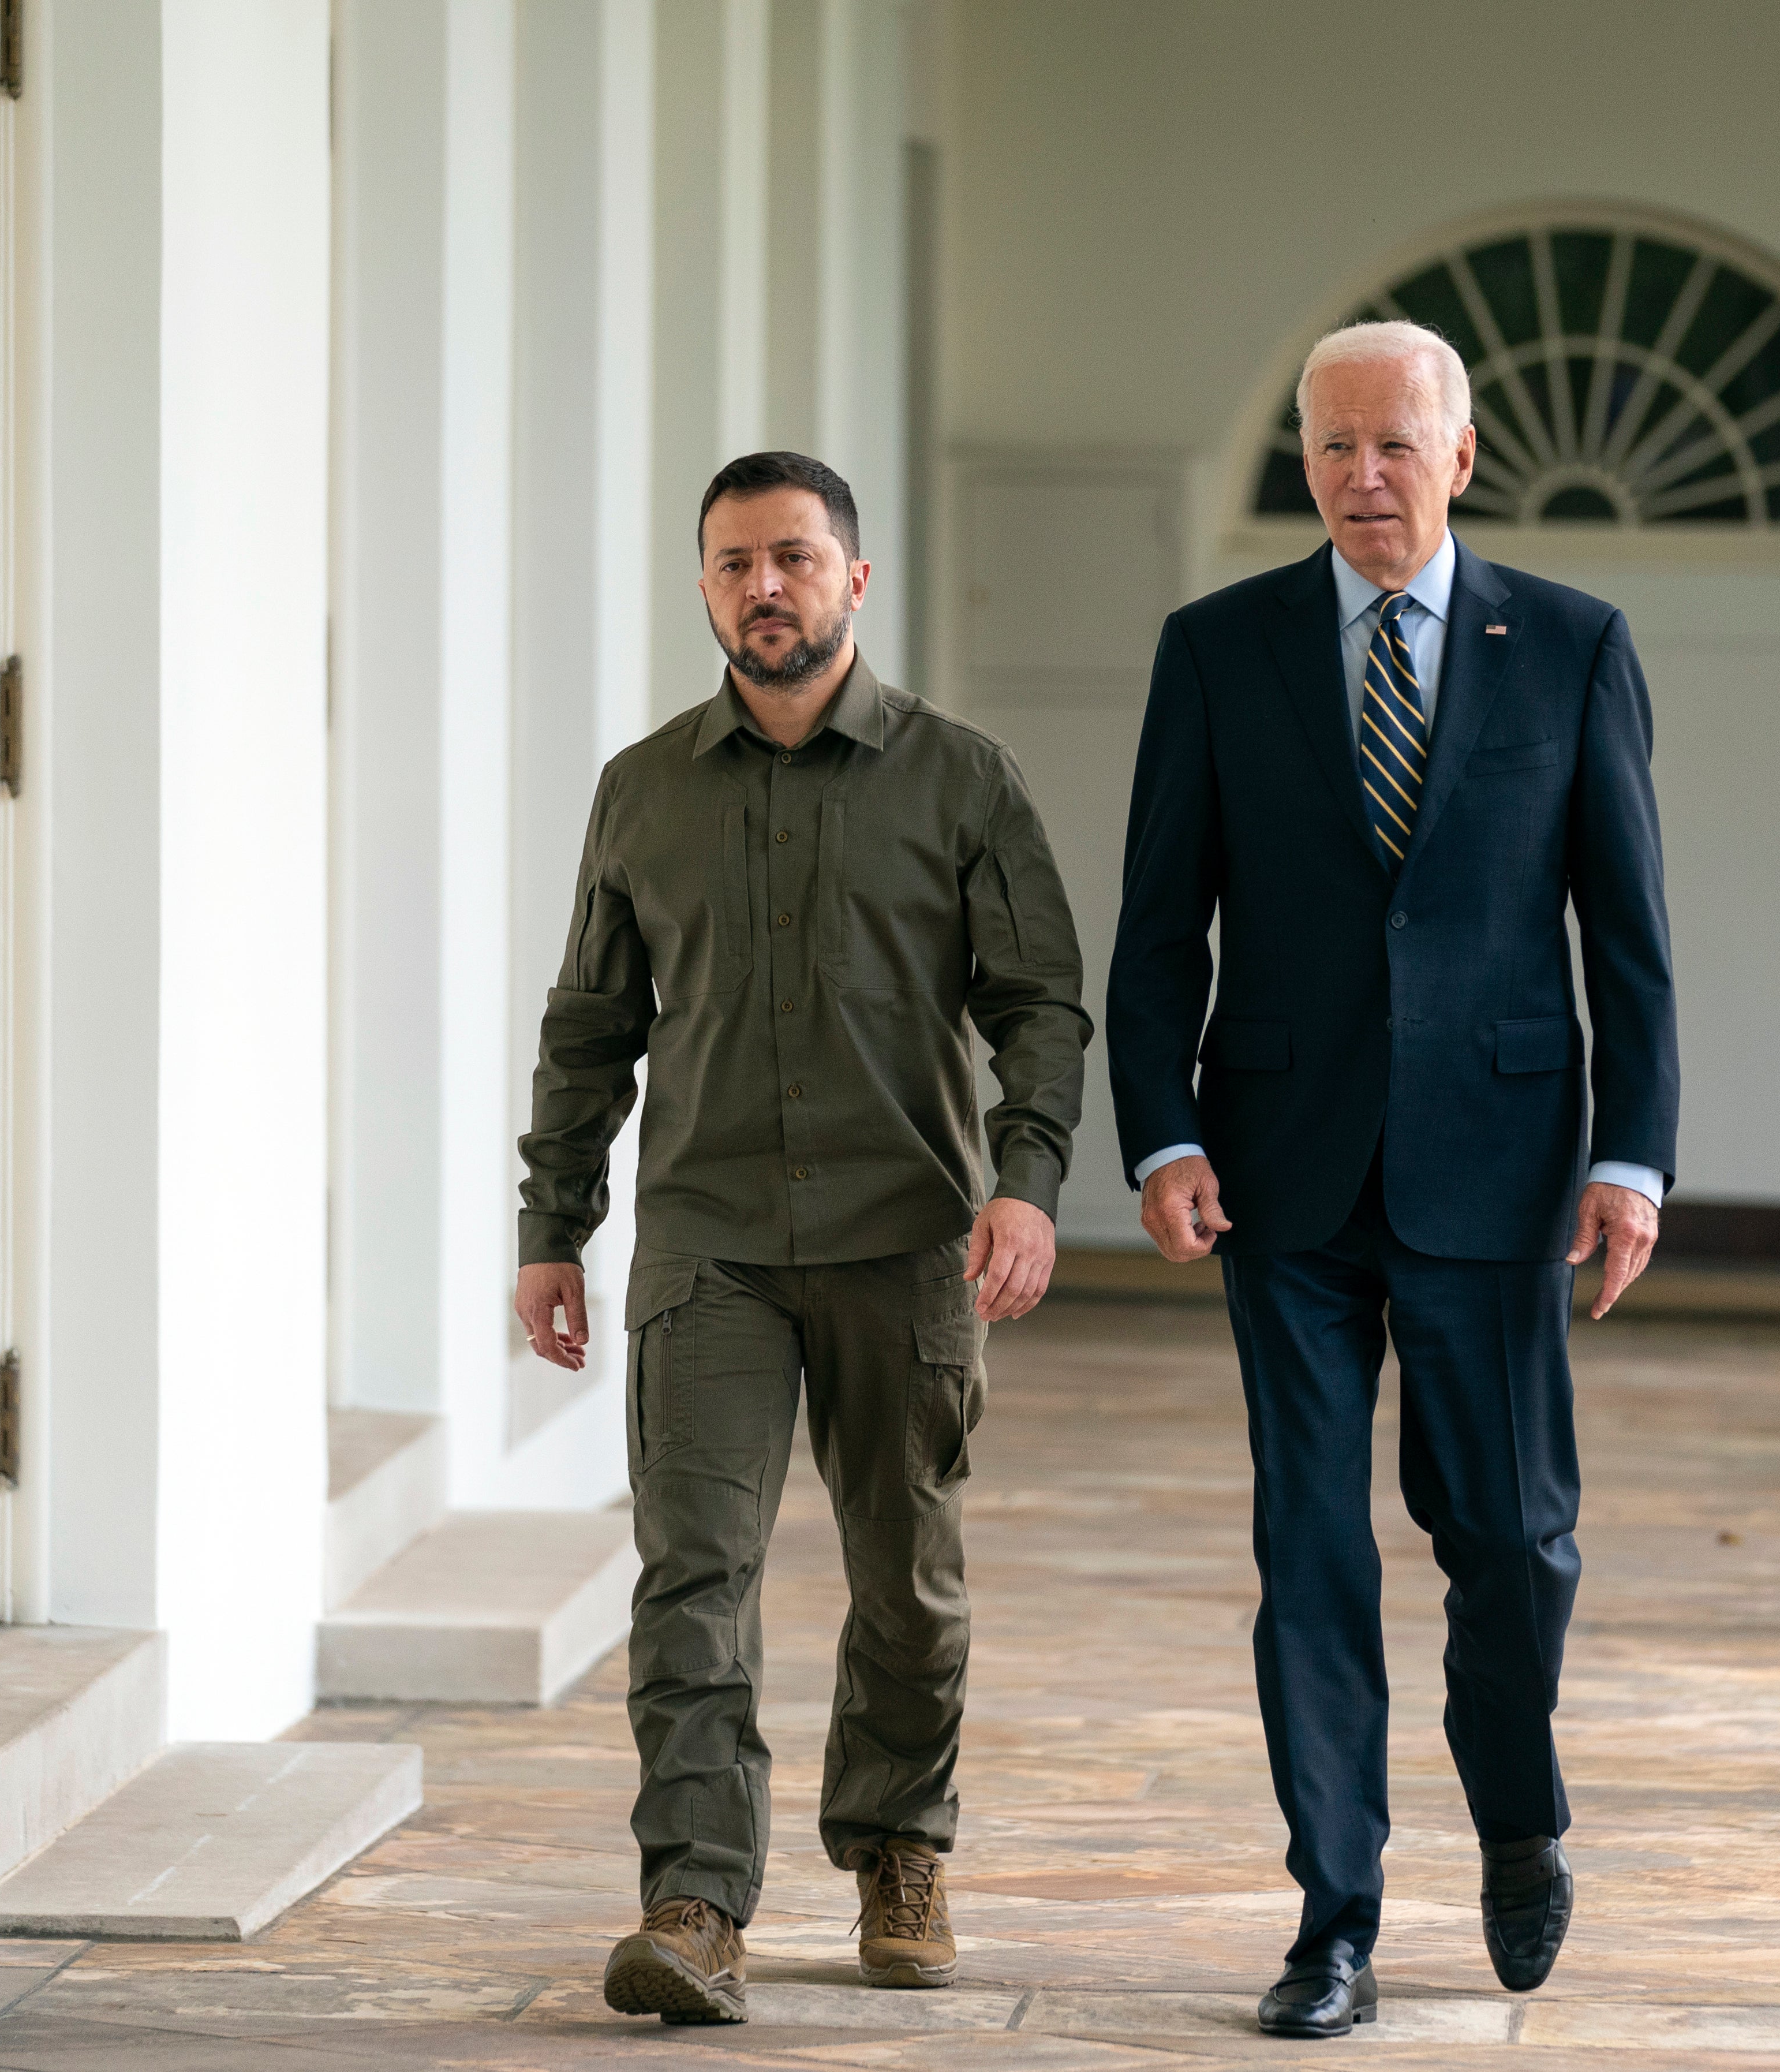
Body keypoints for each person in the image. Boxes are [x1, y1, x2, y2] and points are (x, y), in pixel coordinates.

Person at [1105, 320, 1680, 2037]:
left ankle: (1516, 1816)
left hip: (1500, 1173)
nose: (1364, 476)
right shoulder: (1218, 650)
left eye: (1393, 446)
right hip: (1278, 1170)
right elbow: (1154, 931)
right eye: (1334, 447)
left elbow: (1630, 942)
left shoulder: (1571, 647)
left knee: (1508, 1535)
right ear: (1305, 461)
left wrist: (1632, 1154)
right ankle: (1332, 1918)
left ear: (1462, 454)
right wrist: (1164, 1130)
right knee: (1311, 1549)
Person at [514, 451, 1091, 2026]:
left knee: (907, 1576)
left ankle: (901, 1843)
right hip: (710, 1244)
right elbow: (590, 1028)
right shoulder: (645, 791)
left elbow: (1040, 1004)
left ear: (853, 577)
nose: (761, 588)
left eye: (790, 558)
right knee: (693, 1573)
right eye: (730, 565)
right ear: (705, 587)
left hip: (905, 1241)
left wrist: (1027, 1181)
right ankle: (695, 1902)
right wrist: (553, 1223)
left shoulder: (961, 781)